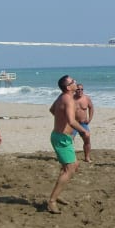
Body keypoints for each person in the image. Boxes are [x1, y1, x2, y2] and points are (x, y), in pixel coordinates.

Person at [46, 75, 90, 214]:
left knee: (73, 166)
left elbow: (52, 110)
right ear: (68, 87)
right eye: (73, 81)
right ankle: (52, 201)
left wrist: (61, 118)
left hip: (63, 137)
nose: (75, 82)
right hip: (61, 138)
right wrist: (83, 131)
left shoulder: (62, 97)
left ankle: (57, 194)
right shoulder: (68, 99)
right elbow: (71, 121)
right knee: (69, 169)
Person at [71, 83, 95, 163]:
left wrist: (90, 119)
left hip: (83, 123)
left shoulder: (86, 98)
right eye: (78, 89)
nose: (80, 91)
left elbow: (91, 108)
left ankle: (87, 157)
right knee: (70, 140)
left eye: (81, 89)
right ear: (75, 90)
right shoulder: (71, 98)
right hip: (73, 124)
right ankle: (71, 158)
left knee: (87, 140)